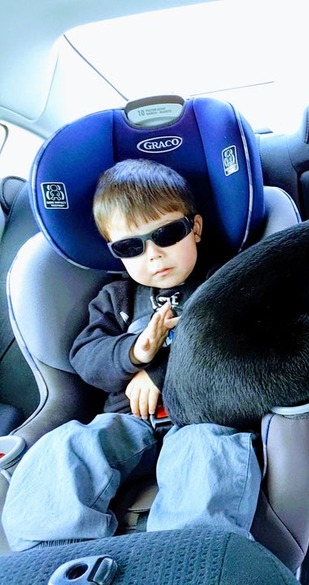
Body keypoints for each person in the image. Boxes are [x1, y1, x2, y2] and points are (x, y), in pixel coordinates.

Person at [1, 159, 261, 551]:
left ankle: (188, 556)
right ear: (115, 253)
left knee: (208, 455)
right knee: (67, 446)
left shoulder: (223, 280)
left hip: (205, 418)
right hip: (128, 422)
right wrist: (134, 353)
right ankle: (50, 555)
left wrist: (158, 372)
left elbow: (242, 340)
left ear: (196, 228)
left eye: (167, 234)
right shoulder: (115, 297)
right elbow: (86, 357)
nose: (153, 255)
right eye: (130, 246)